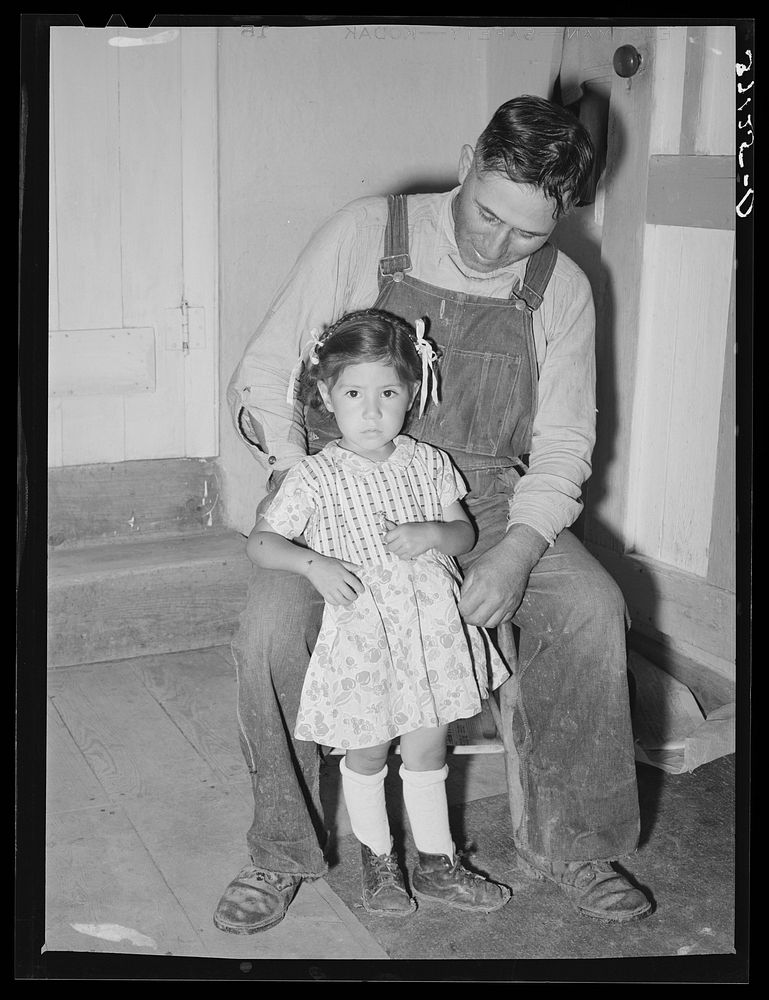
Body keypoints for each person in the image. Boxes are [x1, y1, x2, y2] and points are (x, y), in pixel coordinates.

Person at [214, 94, 653, 936]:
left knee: (590, 606)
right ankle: (280, 848)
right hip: (339, 494)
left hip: (478, 501)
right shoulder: (365, 234)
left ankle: (576, 844)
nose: (496, 246)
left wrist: (518, 551)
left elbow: (563, 445)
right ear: (464, 162)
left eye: (528, 231)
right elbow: (265, 372)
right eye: (487, 213)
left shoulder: (561, 287)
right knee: (270, 632)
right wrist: (298, 479)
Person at [245, 308, 512, 917]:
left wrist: (433, 534)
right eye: (354, 393)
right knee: (366, 755)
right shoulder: (315, 477)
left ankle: (439, 862)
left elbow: (464, 534)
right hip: (365, 640)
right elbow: (261, 544)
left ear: (412, 394)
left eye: (388, 392)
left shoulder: (427, 462)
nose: (371, 411)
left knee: (427, 753)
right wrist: (312, 565)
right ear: (325, 395)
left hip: (432, 635)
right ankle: (380, 861)